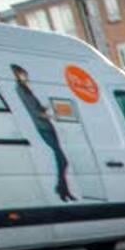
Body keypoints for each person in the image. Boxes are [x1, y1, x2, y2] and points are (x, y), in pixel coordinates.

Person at [10, 65, 73, 202]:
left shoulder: (27, 90)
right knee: (62, 160)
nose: (26, 76)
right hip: (43, 127)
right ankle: (61, 188)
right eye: (23, 74)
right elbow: (35, 112)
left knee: (60, 160)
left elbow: (38, 108)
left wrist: (49, 107)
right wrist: (52, 116)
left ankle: (63, 189)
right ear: (18, 75)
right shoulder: (21, 90)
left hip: (47, 127)